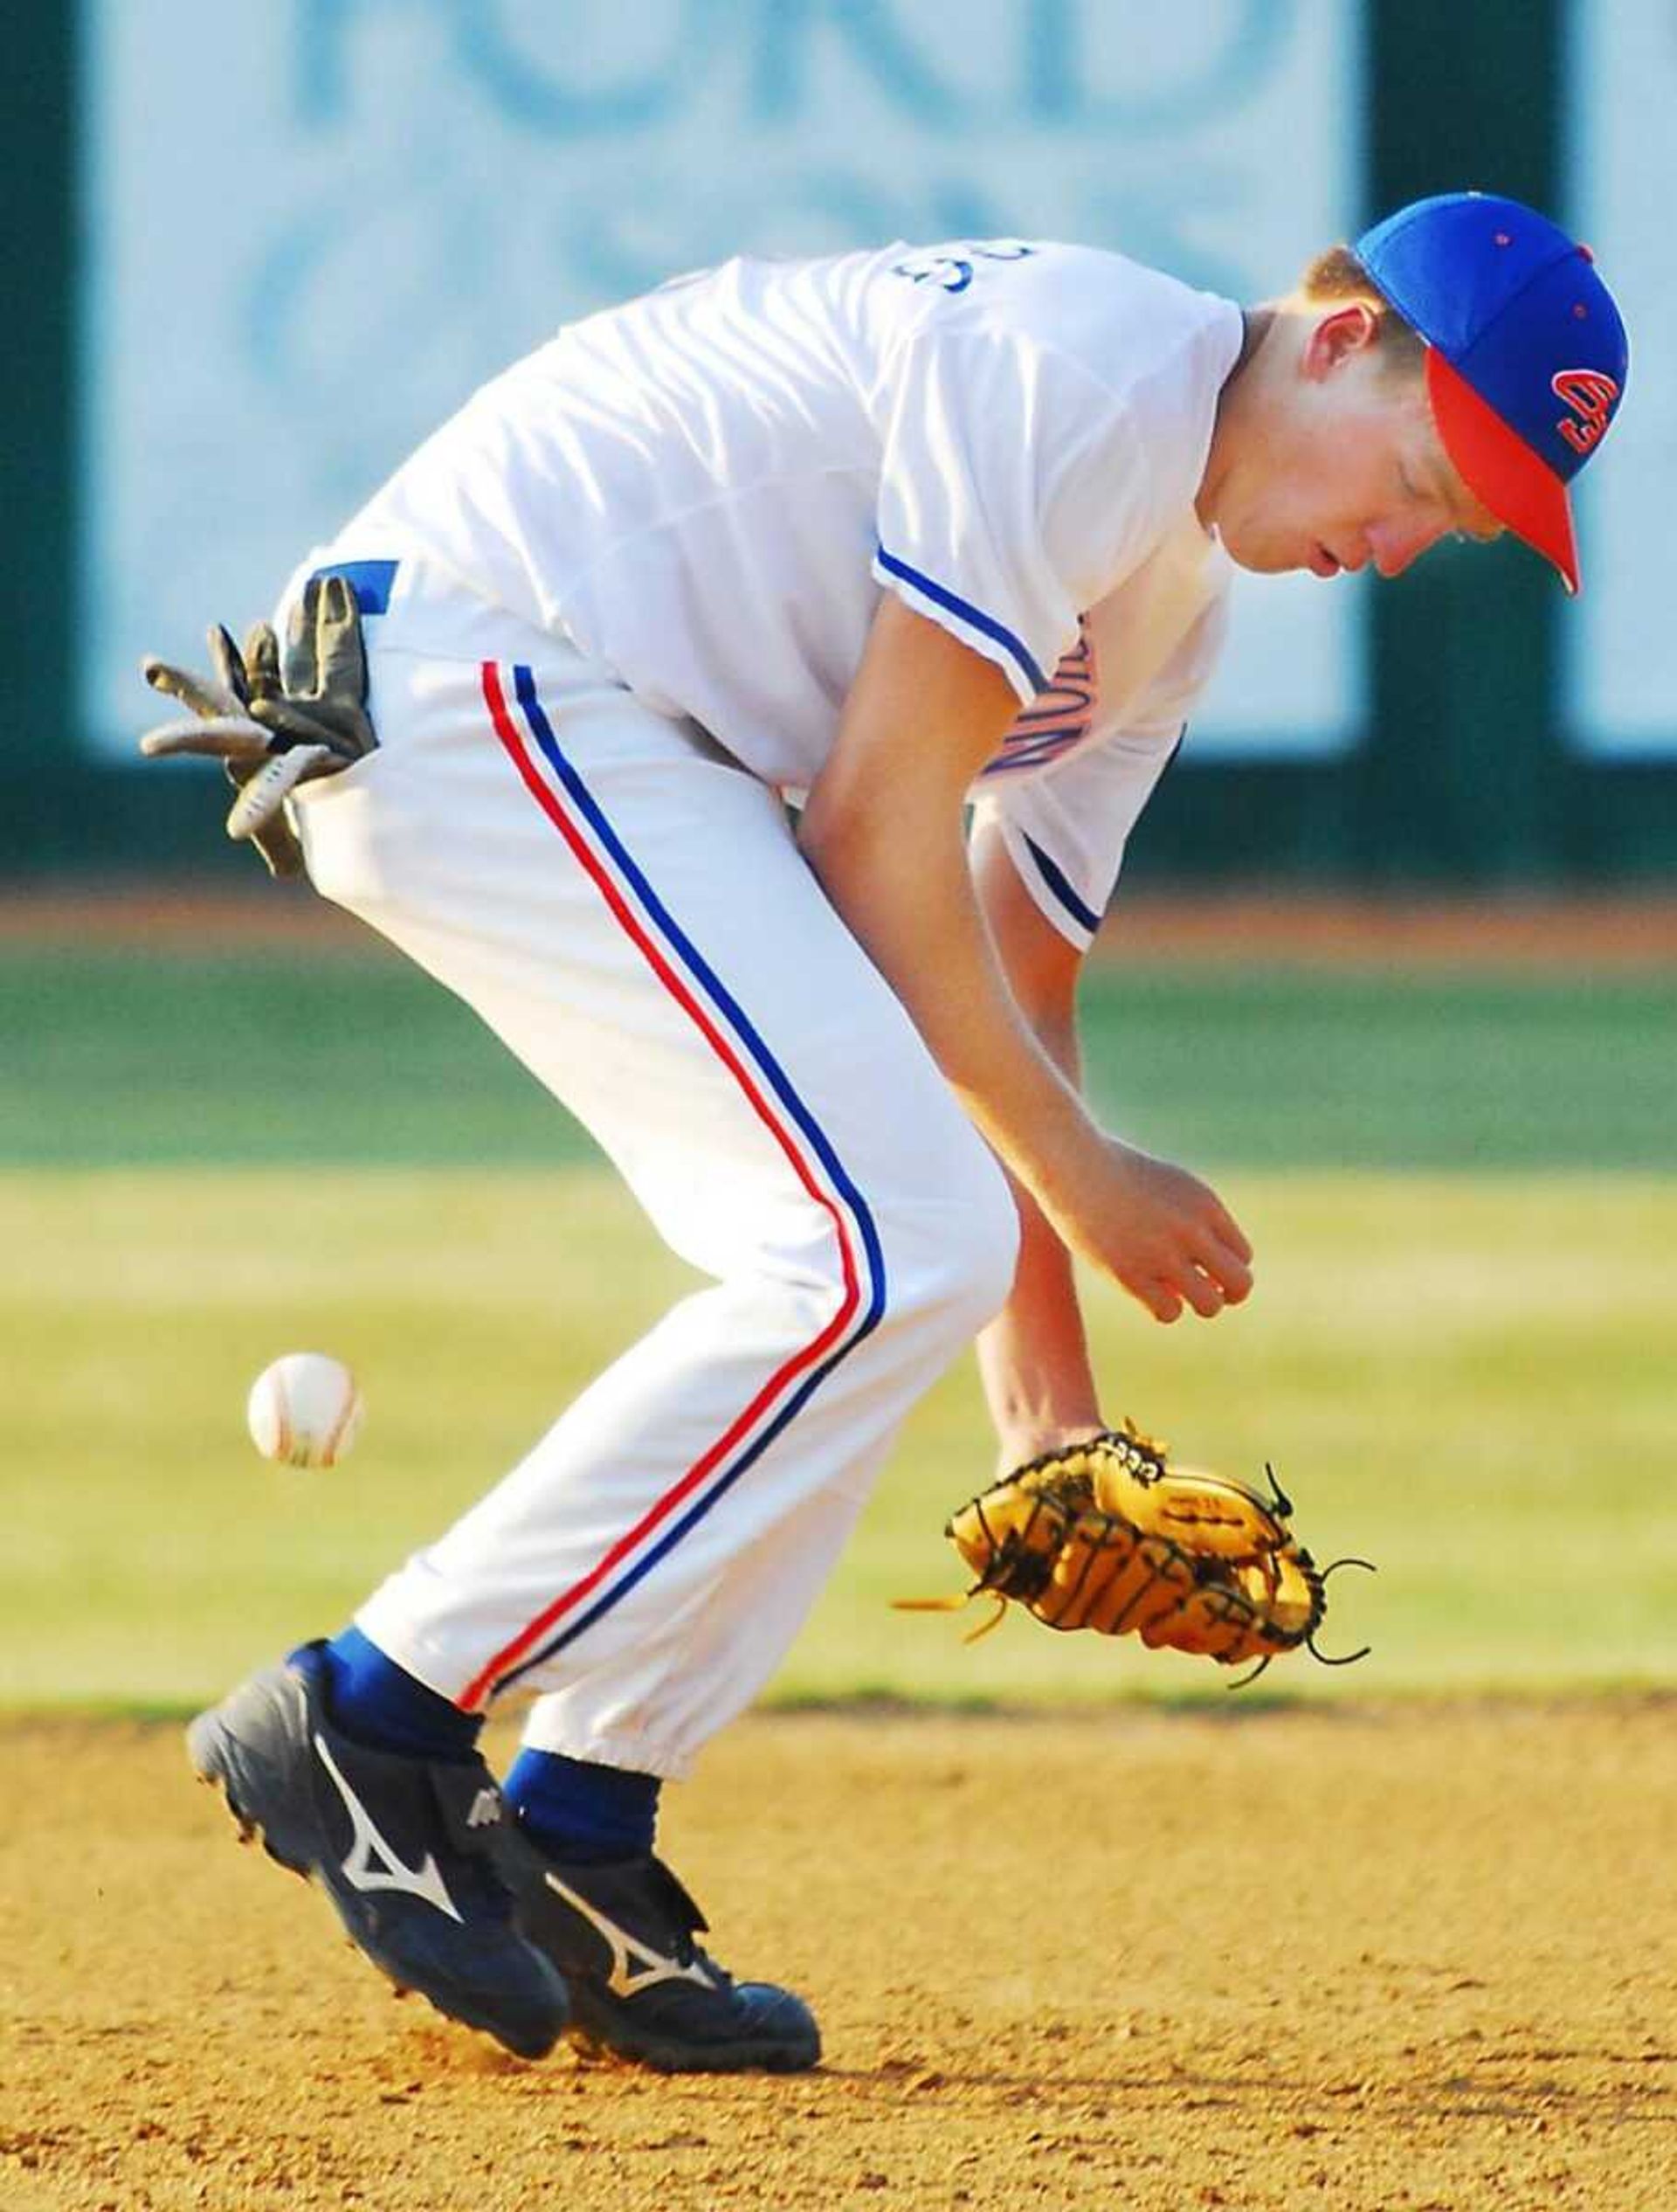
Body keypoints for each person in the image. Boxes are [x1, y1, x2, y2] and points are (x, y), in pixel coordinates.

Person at [144, 191, 1625, 2073]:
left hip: (600, 725)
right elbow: (872, 839)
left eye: (1461, 524)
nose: (1405, 547)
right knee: (868, 1244)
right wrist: (1089, 1184)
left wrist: (1054, 1421)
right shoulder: (1093, 378)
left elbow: (1006, 982)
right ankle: (369, 1711)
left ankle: (581, 1824)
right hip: (484, 666)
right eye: (1426, 473)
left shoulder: (1165, 608)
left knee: (878, 1261)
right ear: (1341, 336)